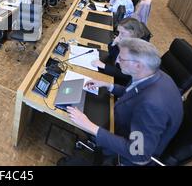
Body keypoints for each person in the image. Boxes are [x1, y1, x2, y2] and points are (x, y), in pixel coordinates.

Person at [66, 38, 183, 166]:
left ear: (138, 65)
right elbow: (135, 93)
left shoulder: (151, 106)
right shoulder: (156, 75)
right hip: (126, 124)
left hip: (126, 156)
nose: (116, 61)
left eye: (121, 59)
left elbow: (138, 153)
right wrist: (108, 85)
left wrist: (90, 126)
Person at [91, 18, 150, 85]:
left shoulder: (137, 52)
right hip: (114, 67)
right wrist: (114, 44)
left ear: (132, 33)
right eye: (118, 32)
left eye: (122, 33)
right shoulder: (127, 41)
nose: (119, 36)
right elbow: (111, 54)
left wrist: (104, 66)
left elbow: (127, 76)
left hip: (120, 82)